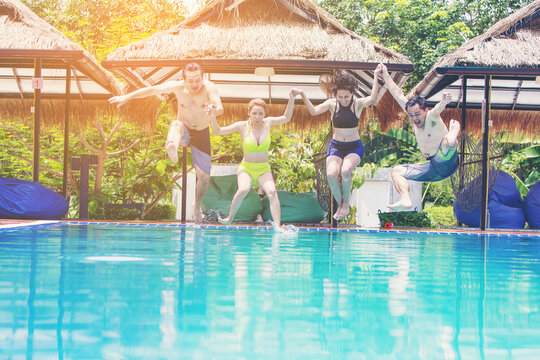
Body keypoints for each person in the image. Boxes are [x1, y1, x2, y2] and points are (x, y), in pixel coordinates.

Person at [108, 62, 223, 223]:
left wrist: (213, 109)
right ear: (184, 80)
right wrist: (127, 96)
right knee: (176, 124)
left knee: (204, 178)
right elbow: (152, 90)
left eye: (198, 80)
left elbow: (219, 107)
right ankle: (172, 147)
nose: (195, 84)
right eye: (190, 81)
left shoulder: (209, 87)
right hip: (184, 129)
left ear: (202, 78)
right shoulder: (177, 87)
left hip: (202, 133)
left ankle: (196, 206)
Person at [208, 89, 300, 232]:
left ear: (265, 114)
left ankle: (277, 225)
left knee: (272, 192)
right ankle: (229, 218)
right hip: (247, 168)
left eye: (260, 113)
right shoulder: (242, 126)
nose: (257, 116)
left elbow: (286, 117)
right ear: (249, 113)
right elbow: (218, 131)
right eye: (254, 113)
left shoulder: (268, 123)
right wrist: (212, 116)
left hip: (263, 168)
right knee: (244, 189)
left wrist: (291, 98)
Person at [297, 66, 382, 220]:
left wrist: (376, 76)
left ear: (352, 94)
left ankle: (346, 204)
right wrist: (303, 94)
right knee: (330, 174)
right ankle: (340, 203)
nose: (343, 100)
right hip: (336, 146)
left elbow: (373, 99)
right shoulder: (332, 104)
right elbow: (313, 111)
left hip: (353, 147)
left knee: (346, 171)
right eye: (341, 97)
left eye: (346, 97)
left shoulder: (357, 104)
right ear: (336, 95)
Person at [379, 63, 461, 211]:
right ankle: (405, 200)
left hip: (448, 161)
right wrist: (385, 75)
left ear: (425, 110)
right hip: (433, 168)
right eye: (411, 115)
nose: (414, 118)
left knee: (448, 142)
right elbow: (397, 93)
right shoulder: (412, 115)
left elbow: (436, 110)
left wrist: (443, 102)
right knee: (396, 171)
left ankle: (454, 131)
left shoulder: (431, 117)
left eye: (417, 114)